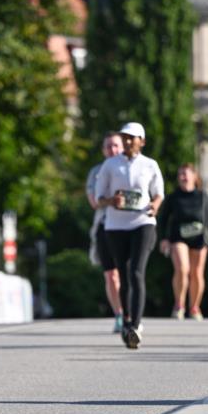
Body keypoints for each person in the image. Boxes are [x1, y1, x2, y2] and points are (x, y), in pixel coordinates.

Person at [94, 122, 164, 349]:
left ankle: (135, 324)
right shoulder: (110, 165)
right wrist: (111, 201)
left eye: (132, 138)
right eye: (125, 137)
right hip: (115, 226)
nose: (127, 141)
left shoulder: (150, 165)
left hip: (143, 223)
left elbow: (158, 194)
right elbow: (98, 199)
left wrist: (155, 205)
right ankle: (125, 321)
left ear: (142, 141)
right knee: (123, 275)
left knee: (136, 271)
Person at [158, 163, 208, 320]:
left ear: (194, 176)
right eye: (180, 175)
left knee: (197, 273)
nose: (183, 177)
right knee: (183, 269)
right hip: (178, 237)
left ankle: (194, 307)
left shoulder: (202, 196)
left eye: (185, 174)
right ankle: (179, 305)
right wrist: (163, 238)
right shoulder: (173, 197)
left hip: (199, 238)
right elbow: (163, 219)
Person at [86, 132, 124, 332]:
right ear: (103, 150)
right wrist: (113, 200)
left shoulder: (130, 169)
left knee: (127, 273)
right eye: (109, 146)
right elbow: (95, 202)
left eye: (116, 146)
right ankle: (119, 314)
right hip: (105, 224)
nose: (113, 150)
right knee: (111, 275)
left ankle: (131, 311)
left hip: (128, 225)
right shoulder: (96, 172)